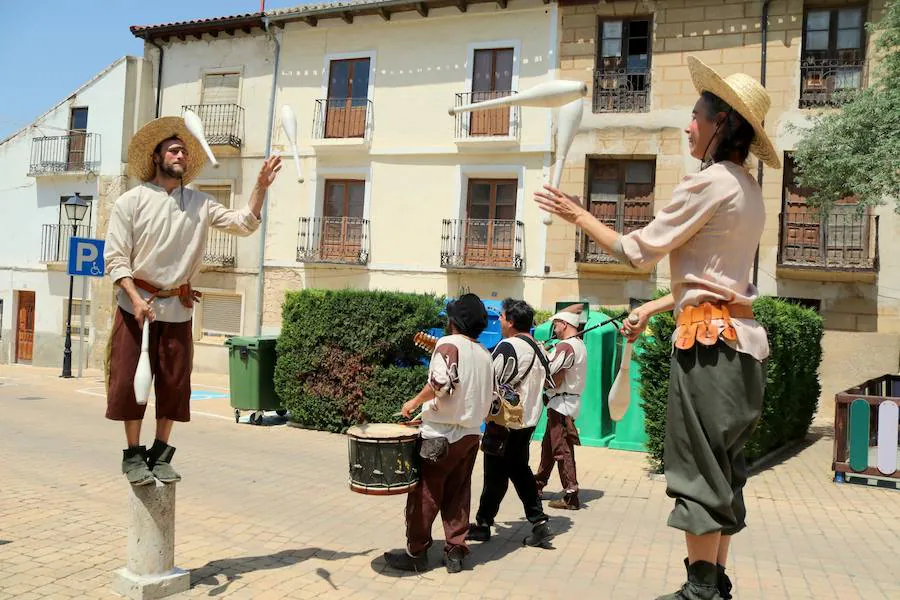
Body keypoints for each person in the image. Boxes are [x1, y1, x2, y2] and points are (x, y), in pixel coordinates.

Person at [534, 56, 778, 600]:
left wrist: (577, 214)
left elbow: (635, 252)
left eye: (696, 115)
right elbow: (714, 281)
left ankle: (699, 591)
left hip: (708, 352)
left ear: (722, 125)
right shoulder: (749, 189)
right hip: (740, 347)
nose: (689, 125)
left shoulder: (710, 183)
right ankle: (714, 584)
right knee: (724, 471)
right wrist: (657, 307)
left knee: (696, 469)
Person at [104, 115, 282, 486]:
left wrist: (261, 187)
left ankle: (161, 452)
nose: (181, 154)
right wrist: (135, 300)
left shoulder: (200, 203)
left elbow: (244, 223)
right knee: (126, 384)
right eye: (173, 149)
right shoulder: (130, 202)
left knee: (174, 384)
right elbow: (116, 259)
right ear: (156, 157)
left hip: (177, 309)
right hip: (135, 306)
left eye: (184, 150)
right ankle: (133, 454)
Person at [383, 293, 494, 574]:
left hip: (440, 436)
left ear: (454, 321)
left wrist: (413, 402)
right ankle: (455, 551)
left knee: (425, 495)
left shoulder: (447, 344)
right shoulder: (484, 353)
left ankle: (416, 553)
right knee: (458, 492)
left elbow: (440, 383)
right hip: (470, 435)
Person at [467, 298, 554, 548]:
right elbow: (550, 383)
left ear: (512, 322)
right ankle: (537, 522)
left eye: (503, 317)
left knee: (496, 473)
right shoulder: (540, 348)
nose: (501, 321)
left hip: (505, 421)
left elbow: (490, 380)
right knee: (517, 469)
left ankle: (485, 525)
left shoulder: (508, 347)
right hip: (528, 421)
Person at [534, 308, 587, 510]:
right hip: (563, 403)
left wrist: (540, 352)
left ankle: (571, 495)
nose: (554, 329)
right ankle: (537, 485)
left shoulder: (566, 346)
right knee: (549, 448)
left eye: (555, 325)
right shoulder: (578, 345)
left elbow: (548, 370)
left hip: (561, 405)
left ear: (564, 324)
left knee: (561, 450)